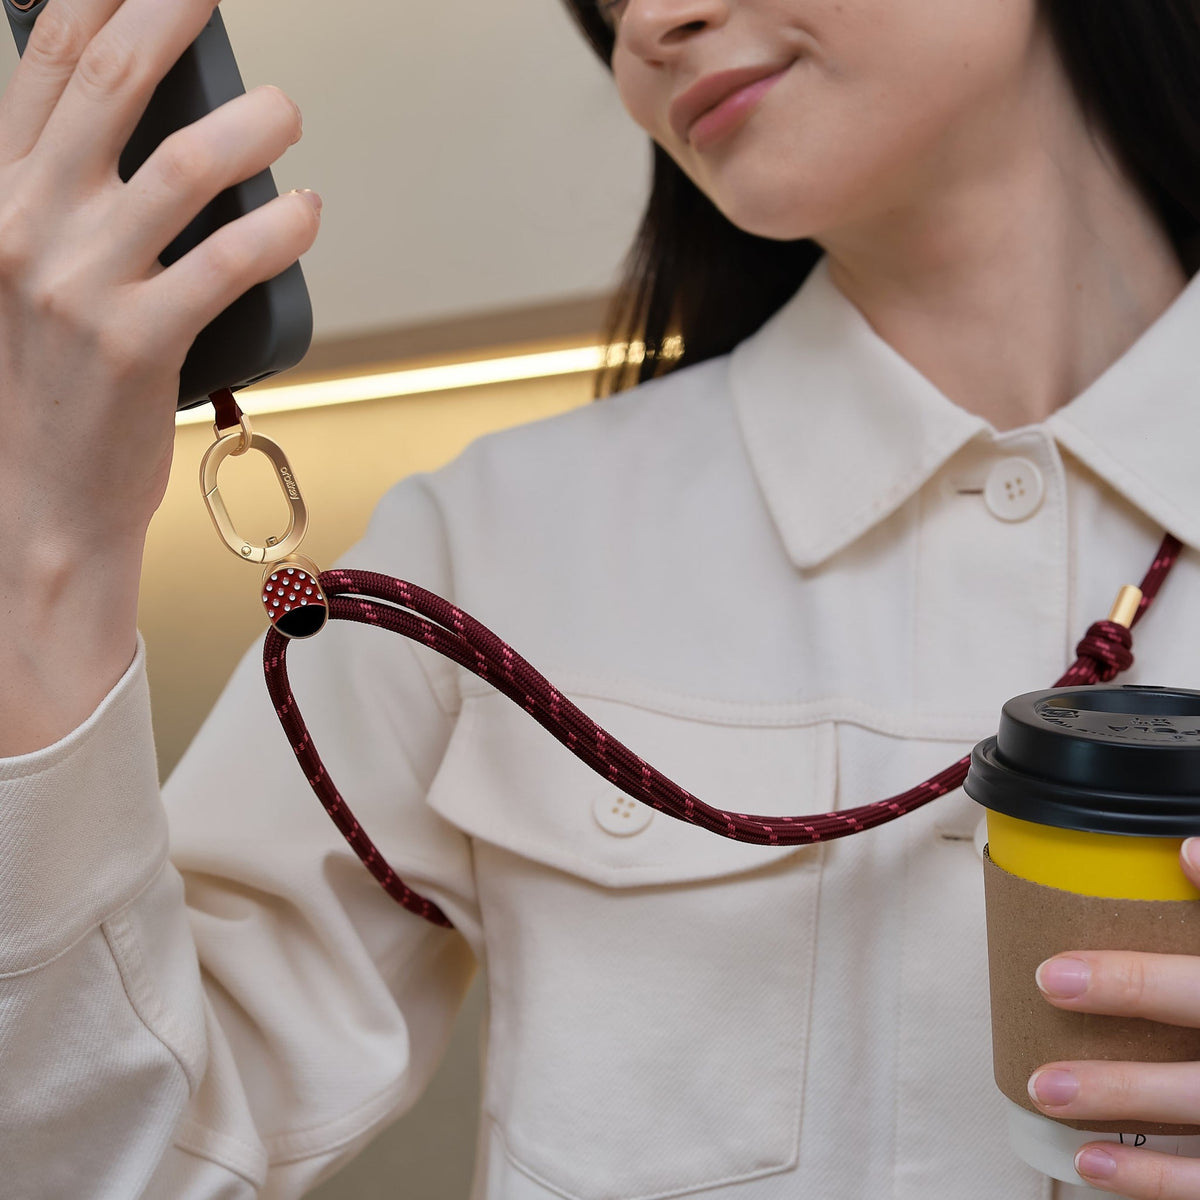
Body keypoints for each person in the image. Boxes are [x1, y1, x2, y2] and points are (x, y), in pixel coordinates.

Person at [0, 0, 1197, 1196]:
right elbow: (120, 1166)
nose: (652, 27)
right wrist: (46, 550)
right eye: (607, 5)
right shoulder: (477, 560)